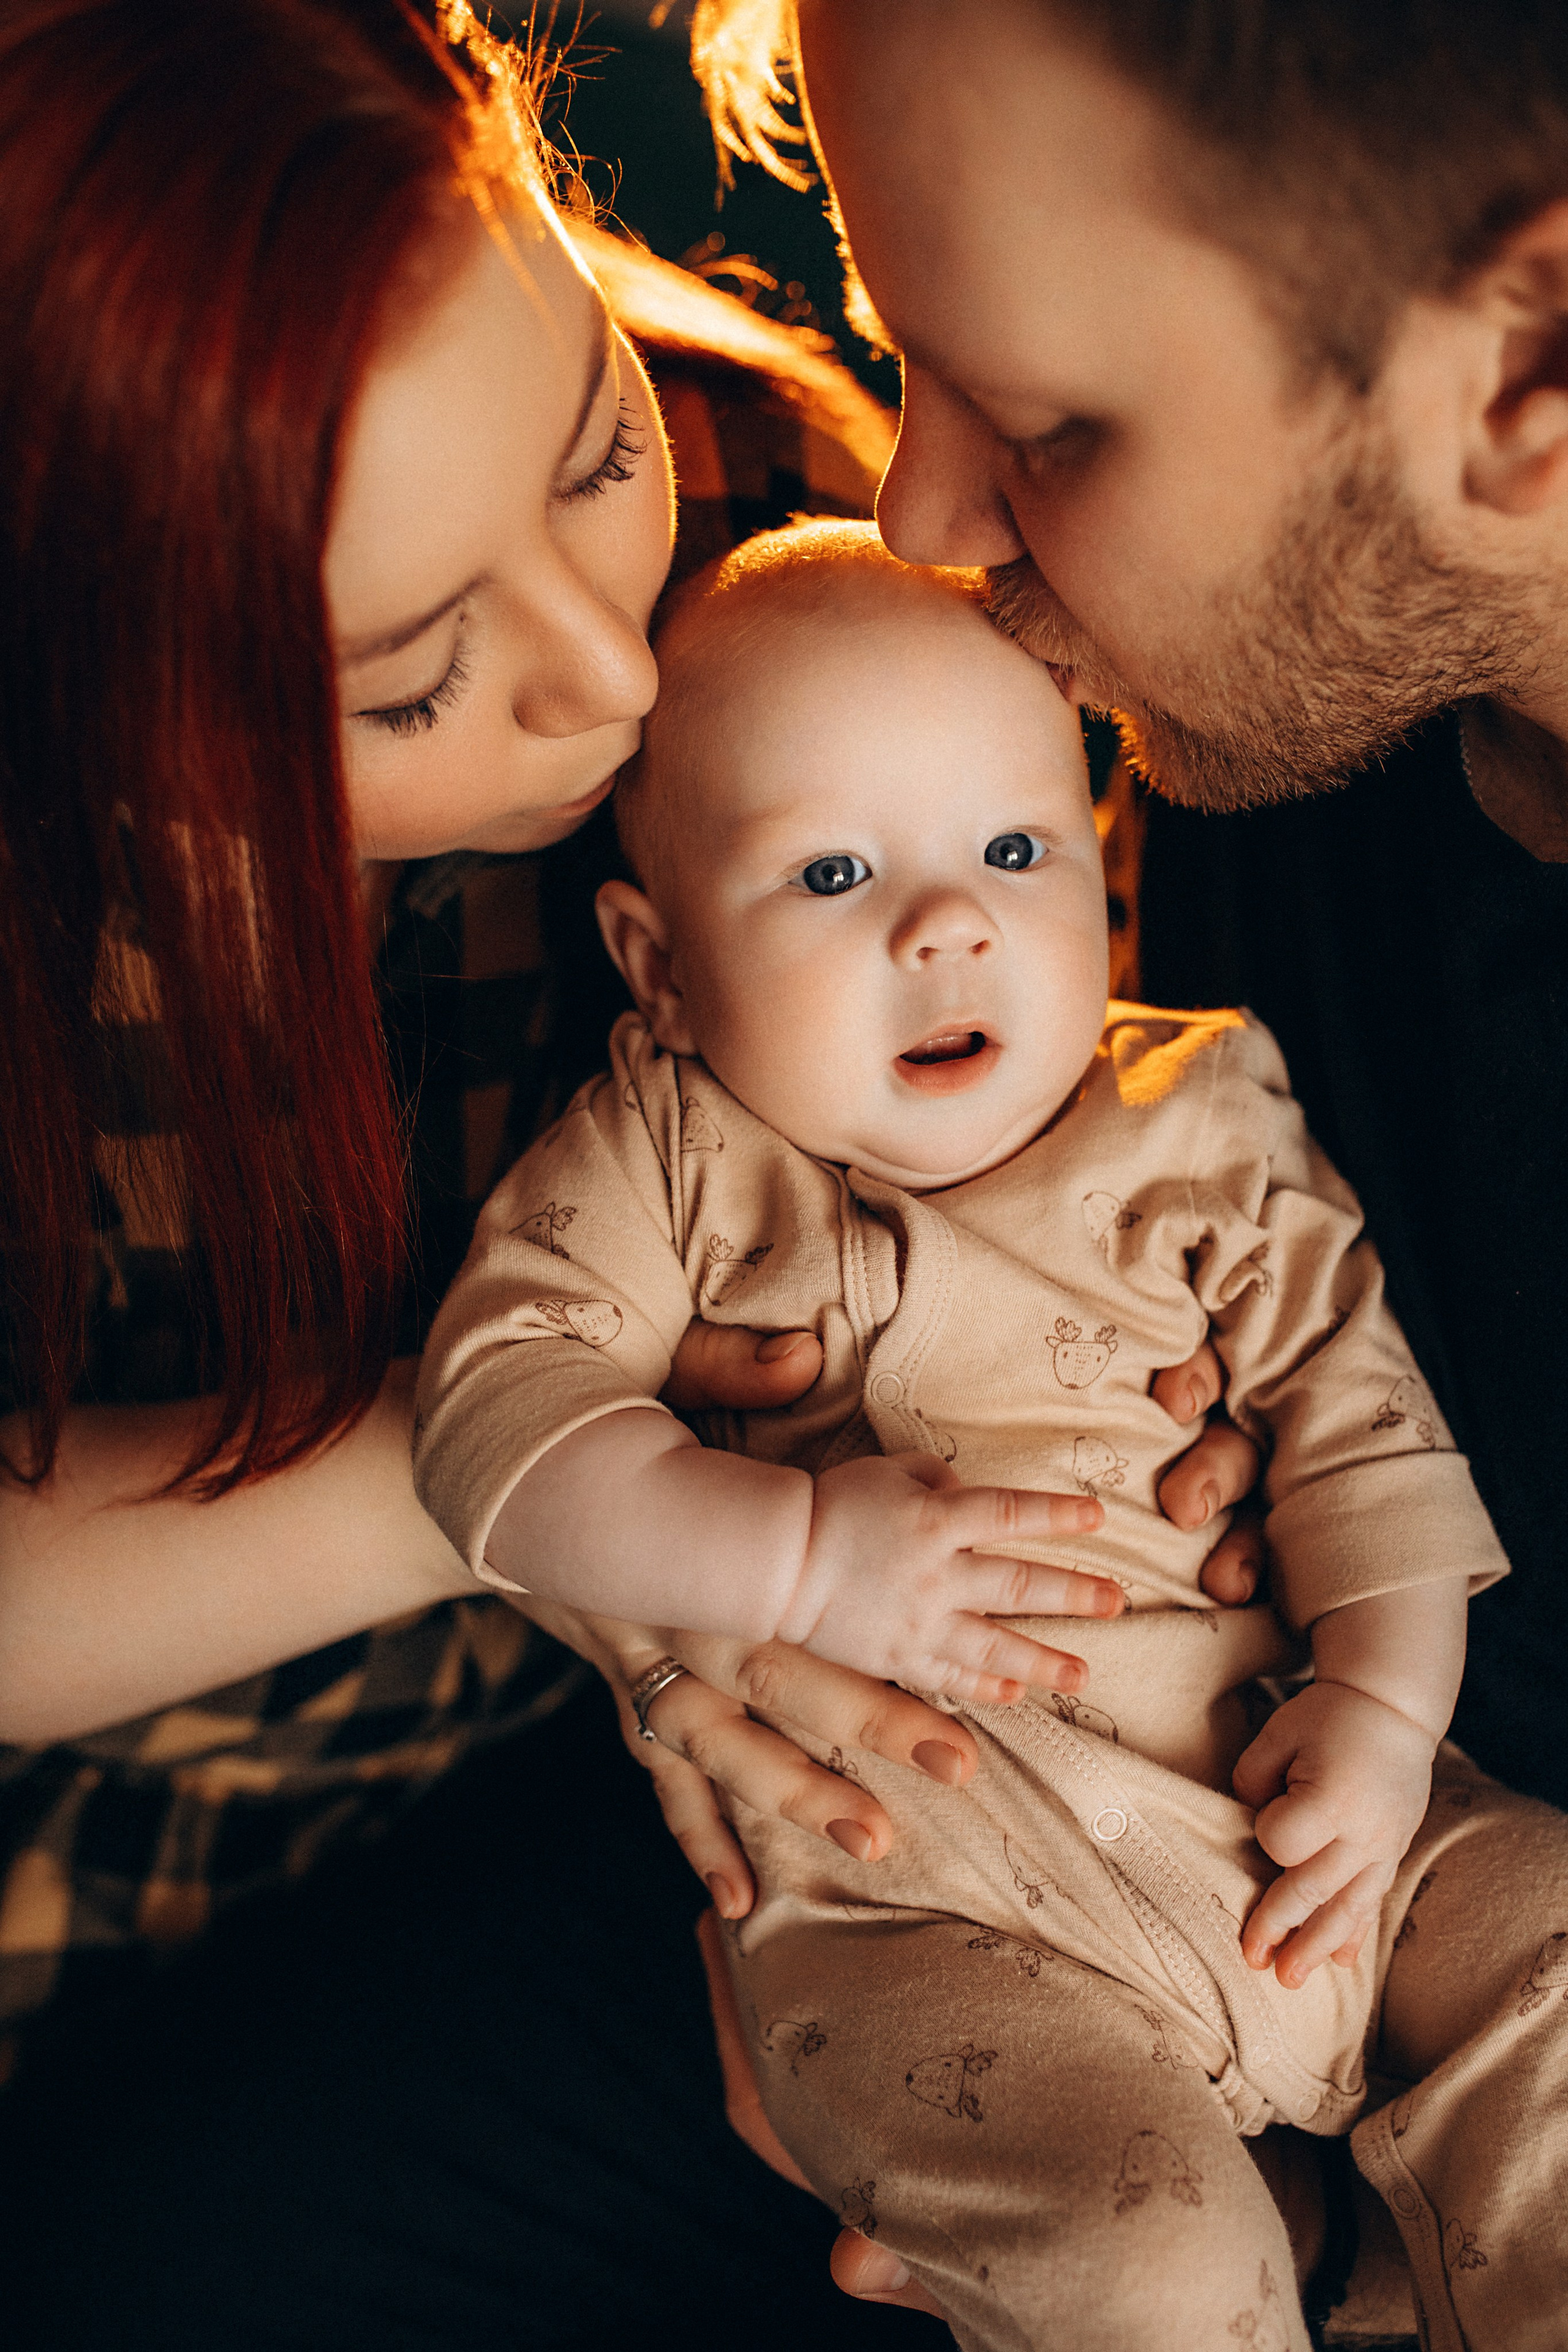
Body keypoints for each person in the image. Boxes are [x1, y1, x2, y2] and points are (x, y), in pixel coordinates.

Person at [0, 4, 1107, 2343]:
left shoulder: (763, 534)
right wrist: (538, 1466)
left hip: (634, 1764)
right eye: (411, 683)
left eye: (591, 446)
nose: (612, 671)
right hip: (136, 1888)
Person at [412, 520, 1564, 2351]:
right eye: (833, 870)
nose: (945, 924)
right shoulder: (670, 1155)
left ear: (1102, 876)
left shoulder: (1201, 1113)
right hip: (919, 1922)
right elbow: (494, 1422)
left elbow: (1363, 1425)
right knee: (1143, 2270)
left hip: (1312, 1822)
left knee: (1552, 1960)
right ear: (661, 961)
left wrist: (1386, 1707)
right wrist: (796, 1558)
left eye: (1015, 853)